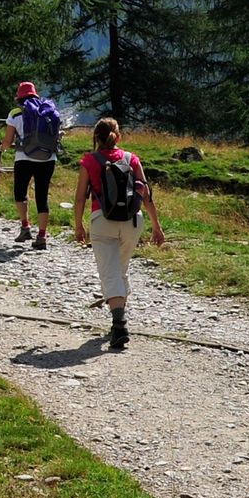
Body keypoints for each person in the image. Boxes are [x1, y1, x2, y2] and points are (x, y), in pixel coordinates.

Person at [74, 117, 165, 350]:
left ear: (96, 138)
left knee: (110, 273)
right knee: (120, 269)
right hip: (133, 221)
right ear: (118, 137)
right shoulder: (131, 159)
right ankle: (119, 315)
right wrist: (156, 225)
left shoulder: (89, 161)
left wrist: (78, 225)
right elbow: (145, 193)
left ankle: (119, 325)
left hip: (102, 221)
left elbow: (79, 197)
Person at [0, 81, 60, 250]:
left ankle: (25, 227)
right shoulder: (48, 111)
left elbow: (8, 141)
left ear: (19, 97)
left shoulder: (15, 113)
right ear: (35, 95)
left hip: (23, 157)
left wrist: (1, 148)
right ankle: (42, 236)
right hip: (48, 158)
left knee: (20, 192)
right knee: (42, 195)